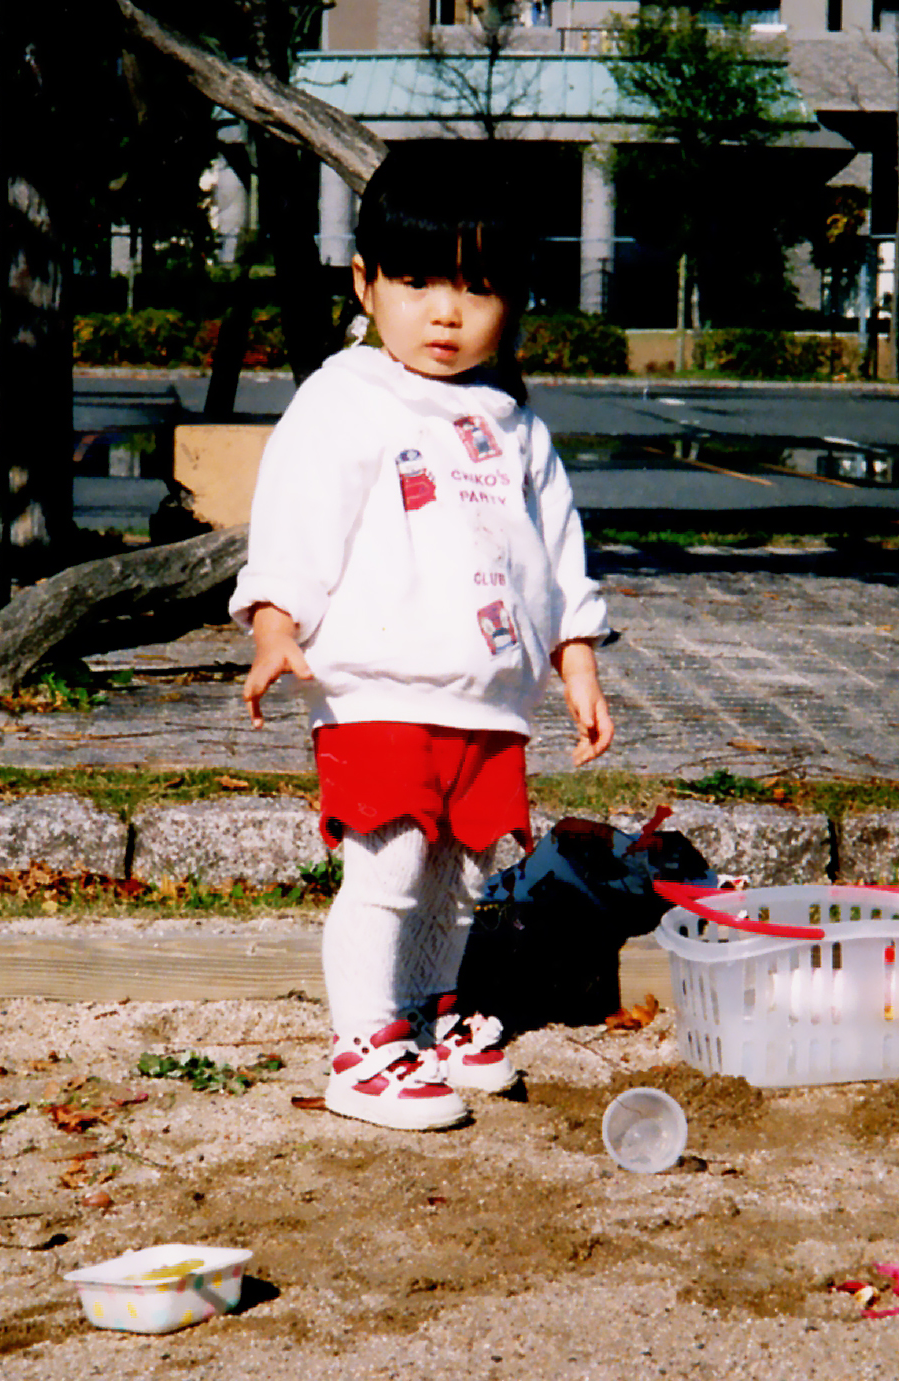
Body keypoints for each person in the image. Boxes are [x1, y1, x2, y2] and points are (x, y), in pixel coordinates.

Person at [229, 141, 613, 1131]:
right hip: (380, 688)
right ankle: (364, 1047)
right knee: (392, 862)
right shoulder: (346, 398)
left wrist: (574, 657)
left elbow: (556, 549)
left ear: (514, 300)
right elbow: (295, 519)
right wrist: (275, 621)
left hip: (487, 697)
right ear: (366, 284)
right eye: (417, 282)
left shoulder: (513, 423)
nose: (445, 313)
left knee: (463, 870)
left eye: (476, 288)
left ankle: (427, 1012)